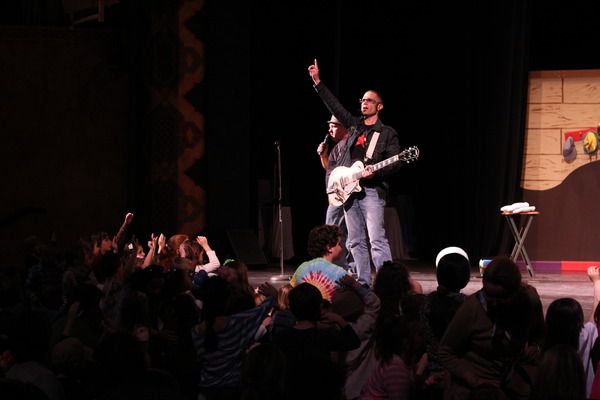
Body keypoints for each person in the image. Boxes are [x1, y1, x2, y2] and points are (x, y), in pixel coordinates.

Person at [308, 58, 403, 286]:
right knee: (355, 241)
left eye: (370, 101)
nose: (364, 103)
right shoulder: (354, 125)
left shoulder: (387, 133)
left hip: (372, 191)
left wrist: (375, 173)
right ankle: (363, 283)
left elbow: (396, 163)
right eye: (363, 100)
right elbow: (335, 107)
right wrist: (318, 82)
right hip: (350, 192)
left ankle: (388, 284)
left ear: (379, 106)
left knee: (377, 239)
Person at [317, 115, 353, 271]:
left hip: (343, 195)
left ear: (344, 127)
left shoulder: (349, 145)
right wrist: (323, 155)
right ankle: (339, 268)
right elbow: (330, 171)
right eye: (329, 126)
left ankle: (343, 268)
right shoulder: (337, 147)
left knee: (338, 232)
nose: (330, 130)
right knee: (335, 232)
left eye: (334, 126)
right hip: (335, 197)